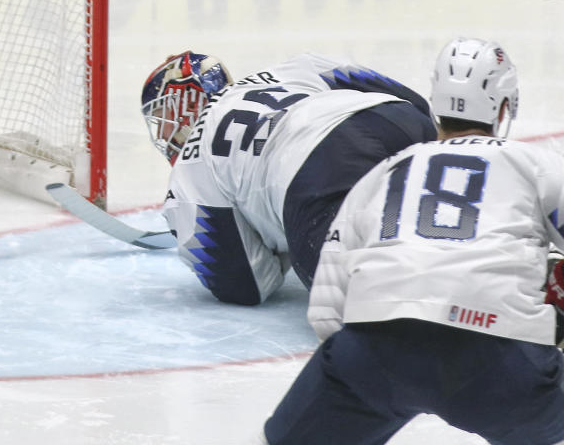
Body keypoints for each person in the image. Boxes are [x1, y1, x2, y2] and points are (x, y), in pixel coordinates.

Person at [263, 37, 564, 444]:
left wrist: (364, 370)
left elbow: (327, 309)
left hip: (376, 348)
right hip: (497, 355)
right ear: (505, 107)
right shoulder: (534, 163)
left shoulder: (383, 172)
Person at [140, 50, 437, 305]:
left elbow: (245, 285)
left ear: (188, 104)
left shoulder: (192, 165)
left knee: (364, 304)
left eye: (161, 117)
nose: (162, 134)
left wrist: (282, 235)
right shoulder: (293, 68)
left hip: (319, 167)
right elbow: (411, 101)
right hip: (396, 119)